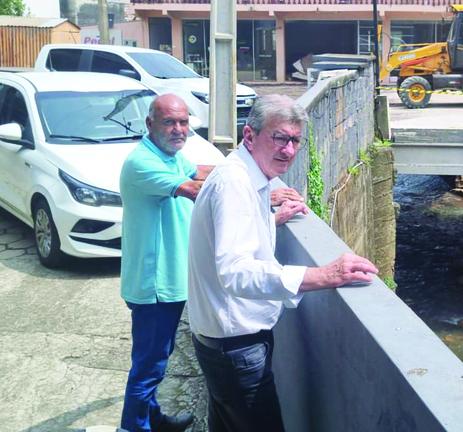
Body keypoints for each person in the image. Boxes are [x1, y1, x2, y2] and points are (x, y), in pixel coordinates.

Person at [187, 94, 379, 432]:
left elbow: (228, 238)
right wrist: (324, 274)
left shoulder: (243, 175)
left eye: (295, 141)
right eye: (279, 138)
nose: (289, 150)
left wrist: (268, 220)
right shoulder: (234, 184)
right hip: (235, 349)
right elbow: (235, 271)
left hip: (221, 344)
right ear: (249, 136)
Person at [119, 94, 213, 432]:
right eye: (169, 122)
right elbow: (194, 188)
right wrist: (263, 195)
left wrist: (247, 167)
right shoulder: (142, 162)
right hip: (154, 287)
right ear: (149, 125)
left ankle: (153, 418)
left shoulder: (170, 155)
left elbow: (200, 170)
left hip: (170, 284)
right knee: (148, 368)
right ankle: (132, 428)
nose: (178, 129)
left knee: (157, 359)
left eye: (184, 122)